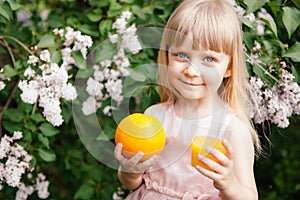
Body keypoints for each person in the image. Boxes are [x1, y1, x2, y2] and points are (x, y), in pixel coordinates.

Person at [114, 0, 261, 199]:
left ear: (228, 68)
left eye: (209, 59)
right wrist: (129, 169)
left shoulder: (233, 131)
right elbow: (133, 183)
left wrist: (229, 184)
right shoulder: (155, 116)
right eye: (181, 55)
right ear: (167, 57)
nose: (191, 71)